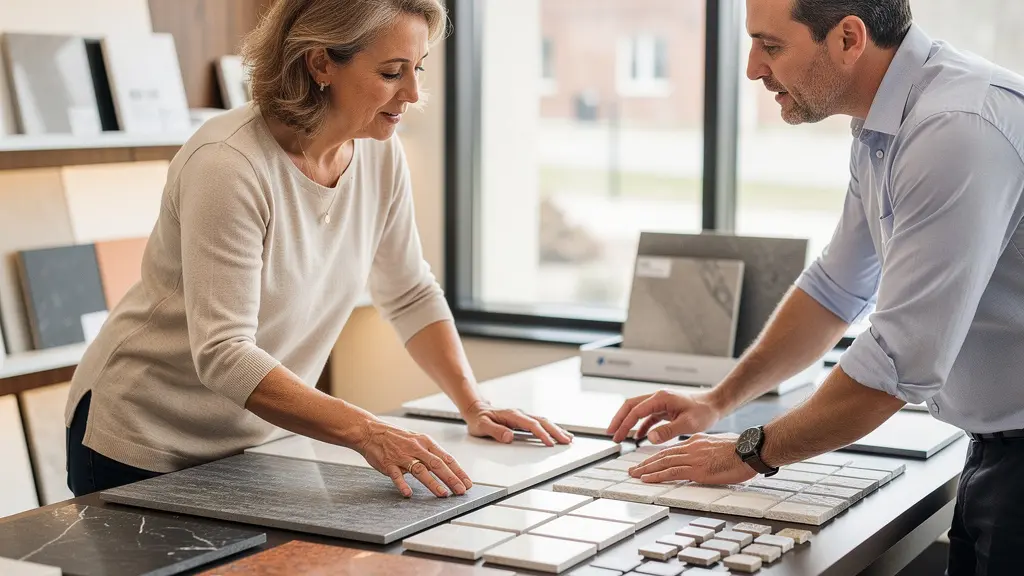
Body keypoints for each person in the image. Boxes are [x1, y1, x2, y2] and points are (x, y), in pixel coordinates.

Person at [64, 0, 572, 501]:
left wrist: (473, 404)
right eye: (392, 72)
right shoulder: (229, 165)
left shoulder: (379, 152)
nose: (413, 93)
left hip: (255, 441)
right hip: (143, 439)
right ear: (321, 61)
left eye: (417, 69)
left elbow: (409, 290)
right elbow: (224, 353)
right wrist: (367, 431)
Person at [606, 1, 1024, 574]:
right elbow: (835, 289)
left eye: (771, 46)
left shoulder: (953, 128)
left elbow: (897, 362)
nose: (753, 68)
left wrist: (749, 451)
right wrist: (717, 402)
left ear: (849, 38)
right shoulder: (888, 124)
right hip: (996, 447)